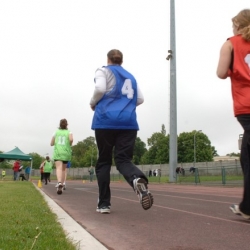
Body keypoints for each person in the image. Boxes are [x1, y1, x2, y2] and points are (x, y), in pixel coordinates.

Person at [90, 49, 153, 214]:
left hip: (105, 121)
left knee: (104, 161)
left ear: (108, 59)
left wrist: (93, 103)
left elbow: (99, 89)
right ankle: (136, 179)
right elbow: (140, 99)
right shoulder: (131, 77)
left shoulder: (103, 70)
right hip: (128, 122)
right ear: (121, 61)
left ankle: (104, 204)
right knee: (123, 160)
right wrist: (125, 107)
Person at [216, 9, 250, 219]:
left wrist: (233, 69)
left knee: (248, 158)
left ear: (238, 25)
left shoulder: (231, 43)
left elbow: (220, 73)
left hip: (246, 106)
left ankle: (247, 208)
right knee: (246, 157)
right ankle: (247, 207)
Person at [51, 118, 73, 195]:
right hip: (66, 152)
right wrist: (69, 144)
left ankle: (59, 182)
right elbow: (71, 139)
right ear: (67, 124)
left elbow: (51, 143)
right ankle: (63, 184)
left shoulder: (56, 132)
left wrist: (54, 143)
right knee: (64, 169)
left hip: (58, 152)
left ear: (59, 124)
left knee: (58, 168)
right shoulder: (69, 131)